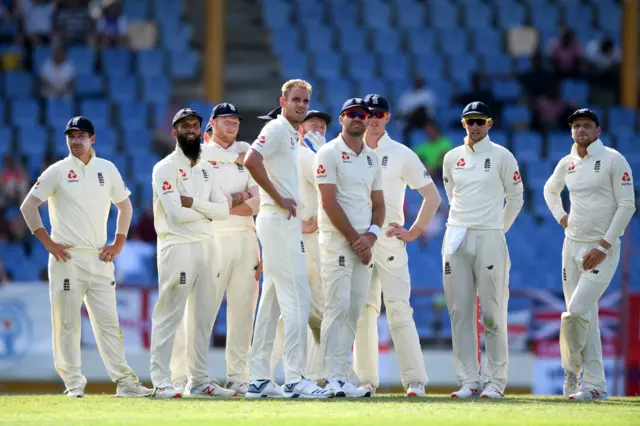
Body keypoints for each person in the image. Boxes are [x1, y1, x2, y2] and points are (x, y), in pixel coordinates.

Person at [19, 116, 151, 398]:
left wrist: (118, 243)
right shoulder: (57, 171)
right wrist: (48, 243)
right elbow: (28, 206)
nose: (76, 141)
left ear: (93, 139)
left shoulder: (107, 169)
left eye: (81, 136)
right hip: (67, 258)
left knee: (109, 325)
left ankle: (126, 383)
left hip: (99, 258)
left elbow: (125, 208)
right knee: (67, 323)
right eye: (71, 137)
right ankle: (74, 385)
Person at [243, 79, 333, 399]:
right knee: (298, 298)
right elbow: (250, 160)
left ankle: (258, 378)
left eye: (305, 101)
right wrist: (279, 196)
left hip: (281, 223)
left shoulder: (294, 135)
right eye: (296, 99)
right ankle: (295, 378)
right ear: (282, 101)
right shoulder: (278, 129)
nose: (301, 105)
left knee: (270, 303)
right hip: (278, 219)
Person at [543, 109, 636, 401]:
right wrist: (561, 217)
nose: (581, 130)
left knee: (576, 312)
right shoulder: (567, 163)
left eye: (586, 125)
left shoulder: (613, 159)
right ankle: (596, 387)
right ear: (571, 132)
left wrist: (604, 246)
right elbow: (549, 190)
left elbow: (627, 206)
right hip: (571, 246)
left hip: (602, 248)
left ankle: (571, 371)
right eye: (576, 126)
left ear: (598, 130)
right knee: (588, 318)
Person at [352, 94, 442, 397]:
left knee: (399, 309)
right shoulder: (348, 151)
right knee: (364, 311)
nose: (373, 118)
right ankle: (365, 381)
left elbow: (433, 197)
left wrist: (414, 231)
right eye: (368, 114)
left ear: (388, 118)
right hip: (360, 242)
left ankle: (415, 380)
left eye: (379, 114)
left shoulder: (401, 153)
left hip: (390, 242)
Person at [170, 103, 261, 396]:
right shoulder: (198, 152)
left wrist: (224, 204)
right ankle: (185, 376)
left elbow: (259, 200)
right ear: (212, 123)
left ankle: (238, 376)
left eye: (236, 119)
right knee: (200, 310)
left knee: (243, 310)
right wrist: (234, 200)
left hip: (246, 237)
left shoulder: (247, 151)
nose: (233, 124)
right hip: (212, 237)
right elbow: (200, 200)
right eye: (227, 120)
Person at [149, 108, 236, 398]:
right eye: (184, 125)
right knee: (169, 314)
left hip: (207, 245)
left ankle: (198, 381)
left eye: (195, 125)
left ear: (201, 131)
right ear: (174, 132)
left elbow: (223, 211)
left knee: (204, 318)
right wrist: (204, 209)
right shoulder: (164, 168)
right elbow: (175, 214)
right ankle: (161, 381)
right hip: (178, 245)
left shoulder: (207, 168)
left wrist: (193, 202)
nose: (190, 129)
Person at [441, 102, 524, 399]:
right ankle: (469, 381)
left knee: (492, 312)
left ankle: (495, 382)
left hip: (490, 237)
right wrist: (466, 225)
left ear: (489, 123)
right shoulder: (451, 158)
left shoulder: (502, 156)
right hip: (456, 236)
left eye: (479, 121)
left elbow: (516, 198)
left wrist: (497, 229)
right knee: (460, 312)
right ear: (463, 124)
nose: (474, 126)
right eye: (469, 121)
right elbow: (453, 195)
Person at [315, 98, 385, 397]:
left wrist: (370, 236)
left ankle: (342, 373)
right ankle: (331, 376)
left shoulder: (372, 158)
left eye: (365, 115)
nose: (360, 119)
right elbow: (328, 202)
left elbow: (379, 205)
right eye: (353, 114)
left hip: (364, 246)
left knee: (354, 310)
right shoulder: (328, 152)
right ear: (342, 119)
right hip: (337, 242)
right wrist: (356, 239)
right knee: (337, 306)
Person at [270, 109, 331, 382]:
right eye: (312, 124)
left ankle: (321, 372)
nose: (318, 128)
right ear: (300, 128)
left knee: (313, 309)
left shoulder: (321, 154)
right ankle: (267, 374)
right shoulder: (299, 155)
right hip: (297, 236)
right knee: (295, 309)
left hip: (316, 239)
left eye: (322, 125)